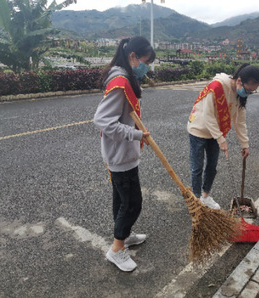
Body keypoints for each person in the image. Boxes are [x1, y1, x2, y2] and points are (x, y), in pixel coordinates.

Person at [94, 36, 155, 272]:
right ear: (133, 57)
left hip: (122, 153)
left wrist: (136, 135)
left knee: (121, 199)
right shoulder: (120, 81)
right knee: (132, 204)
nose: (146, 66)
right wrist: (137, 135)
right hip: (120, 155)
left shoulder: (124, 76)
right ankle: (116, 250)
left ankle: (124, 235)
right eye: (145, 61)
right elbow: (103, 121)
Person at [187, 64, 259, 209]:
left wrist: (244, 144)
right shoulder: (217, 87)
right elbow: (208, 116)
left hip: (216, 132)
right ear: (239, 81)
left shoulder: (240, 96)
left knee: (212, 167)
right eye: (248, 90)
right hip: (199, 129)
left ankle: (205, 196)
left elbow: (239, 121)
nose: (248, 93)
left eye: (251, 92)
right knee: (197, 168)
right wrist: (221, 140)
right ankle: (196, 201)